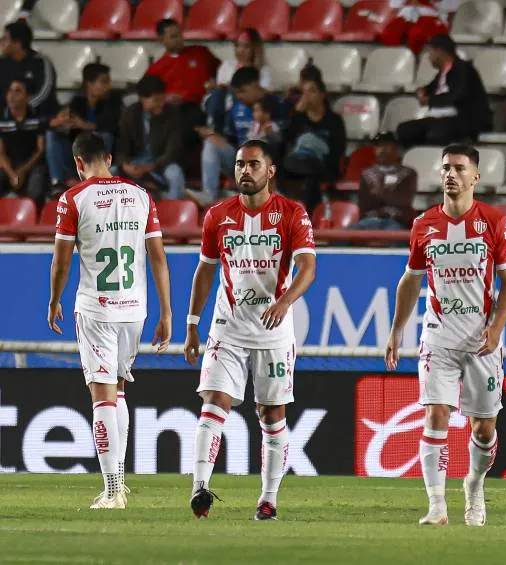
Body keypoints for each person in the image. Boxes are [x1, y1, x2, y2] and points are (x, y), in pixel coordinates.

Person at [384, 143, 506, 527]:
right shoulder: (424, 225)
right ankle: (437, 506)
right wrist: (397, 329)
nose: (451, 174)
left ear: (476, 176)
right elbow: (410, 281)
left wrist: (495, 328)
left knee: (484, 427)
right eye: (446, 168)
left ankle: (474, 485)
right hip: (438, 336)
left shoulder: (494, 223)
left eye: (460, 168)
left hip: (481, 340)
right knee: (436, 414)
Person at [184, 139, 317, 520]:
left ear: (270, 171)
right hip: (228, 326)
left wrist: (285, 301)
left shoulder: (292, 214)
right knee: (214, 402)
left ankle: (269, 498)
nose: (245, 170)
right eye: (241, 164)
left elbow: (307, 267)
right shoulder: (217, 215)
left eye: (254, 164)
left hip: (274, 330)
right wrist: (192, 324)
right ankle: (200, 488)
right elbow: (206, 270)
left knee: (272, 414)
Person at [47, 132, 172, 509]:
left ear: (78, 163)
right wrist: (166, 312)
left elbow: (62, 260)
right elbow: (158, 259)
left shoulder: (73, 199)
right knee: (118, 393)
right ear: (110, 158)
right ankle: (118, 482)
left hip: (97, 309)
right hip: (136, 308)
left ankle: (114, 489)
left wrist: (54, 299)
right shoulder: (140, 195)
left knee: (101, 397)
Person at [190, 66, 284, 206]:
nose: (239, 96)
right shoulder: (236, 107)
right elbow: (230, 137)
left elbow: (283, 141)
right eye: (237, 93)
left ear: (254, 85)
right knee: (211, 142)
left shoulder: (276, 104)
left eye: (242, 92)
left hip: (267, 162)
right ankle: (209, 195)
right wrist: (217, 137)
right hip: (239, 158)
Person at [396, 34, 492, 148]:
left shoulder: (464, 70)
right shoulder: (443, 72)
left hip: (465, 119)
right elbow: (430, 89)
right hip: (441, 118)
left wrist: (430, 100)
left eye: (431, 52)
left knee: (437, 132)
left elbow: (457, 96)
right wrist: (422, 91)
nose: (429, 56)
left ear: (440, 51)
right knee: (405, 130)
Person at [47, 62, 123, 192]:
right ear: (89, 84)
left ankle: (95, 178)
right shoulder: (77, 102)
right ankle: (58, 182)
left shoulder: (114, 102)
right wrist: (60, 122)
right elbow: (66, 126)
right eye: (104, 82)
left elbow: (111, 127)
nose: (109, 86)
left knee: (104, 136)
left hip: (102, 157)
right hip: (78, 154)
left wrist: (85, 125)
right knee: (52, 136)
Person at [283, 71, 346, 212]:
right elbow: (287, 140)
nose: (307, 97)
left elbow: (338, 149)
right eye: (304, 93)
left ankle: (307, 215)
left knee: (310, 176)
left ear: (322, 95)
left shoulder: (334, 120)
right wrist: (296, 114)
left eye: (311, 91)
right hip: (297, 162)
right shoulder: (299, 118)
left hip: (324, 164)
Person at [116, 76, 185, 199]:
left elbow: (172, 150)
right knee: (110, 172)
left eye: (163, 99)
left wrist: (151, 167)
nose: (161, 104)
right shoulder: (131, 113)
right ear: (142, 99)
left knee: (175, 174)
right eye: (156, 100)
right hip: (136, 161)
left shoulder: (171, 114)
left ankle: (173, 211)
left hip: (160, 163)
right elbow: (121, 145)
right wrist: (125, 164)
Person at [145, 18, 219, 133]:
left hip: (204, 105)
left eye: (180, 35)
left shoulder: (201, 53)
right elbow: (147, 96)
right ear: (161, 39)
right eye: (173, 37)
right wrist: (165, 98)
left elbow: (222, 71)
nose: (179, 40)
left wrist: (215, 84)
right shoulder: (156, 69)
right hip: (175, 110)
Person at [352, 131, 417, 230]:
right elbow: (364, 204)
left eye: (386, 145)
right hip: (370, 220)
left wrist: (380, 193)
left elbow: (404, 201)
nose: (381, 150)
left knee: (396, 236)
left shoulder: (407, 173)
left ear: (396, 149)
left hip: (395, 221)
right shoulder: (367, 174)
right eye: (378, 146)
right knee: (346, 233)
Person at [0, 20, 58, 118]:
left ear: (17, 43)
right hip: (8, 121)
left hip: (40, 119)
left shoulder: (41, 62)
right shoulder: (2, 63)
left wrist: (23, 108)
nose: (1, 42)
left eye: (5, 39)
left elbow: (44, 93)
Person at [0, 79, 45, 202]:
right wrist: (12, 174)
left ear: (27, 97)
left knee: (36, 183)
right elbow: (1, 153)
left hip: (31, 165)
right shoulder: (2, 119)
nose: (11, 95)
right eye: (10, 91)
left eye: (18, 91)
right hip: (8, 166)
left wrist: (22, 171)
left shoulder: (37, 118)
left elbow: (40, 150)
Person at [380, 0, 451, 55]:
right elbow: (394, 5)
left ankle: (411, 60)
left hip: (431, 14)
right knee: (389, 32)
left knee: (416, 33)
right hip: (406, 13)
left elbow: (447, 6)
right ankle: (394, 60)